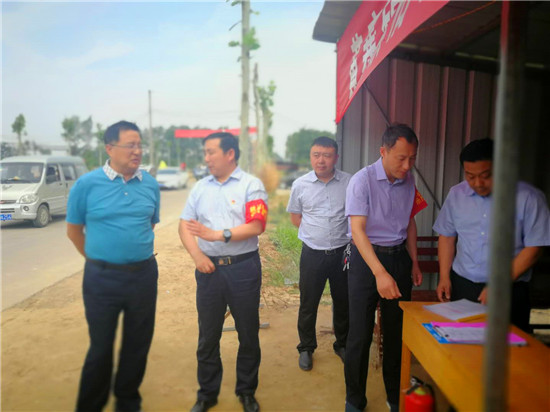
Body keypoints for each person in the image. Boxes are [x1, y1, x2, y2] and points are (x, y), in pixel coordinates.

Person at [66, 120, 161, 412]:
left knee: (137, 343)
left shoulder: (150, 184)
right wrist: (101, 260)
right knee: (101, 347)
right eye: (130, 145)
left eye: (140, 145)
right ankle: (90, 405)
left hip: (143, 276)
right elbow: (74, 231)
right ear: (110, 148)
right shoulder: (86, 185)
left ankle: (127, 400)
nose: (137, 151)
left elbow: (149, 224)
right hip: (102, 279)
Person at [179, 132, 268, 412]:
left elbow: (257, 225)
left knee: (248, 333)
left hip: (243, 269)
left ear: (230, 154)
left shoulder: (251, 185)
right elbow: (184, 225)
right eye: (205, 152)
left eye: (211, 152)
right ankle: (207, 394)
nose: (206, 158)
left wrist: (217, 235)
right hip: (208, 271)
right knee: (208, 335)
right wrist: (197, 255)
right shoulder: (200, 188)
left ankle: (246, 391)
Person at [344, 124, 426, 412]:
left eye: (412, 158)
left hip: (398, 258)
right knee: (360, 333)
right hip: (367, 261)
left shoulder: (409, 181)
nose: (407, 165)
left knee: (396, 332)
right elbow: (357, 231)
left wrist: (414, 261)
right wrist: (379, 273)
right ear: (383, 151)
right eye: (401, 158)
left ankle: (395, 395)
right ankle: (354, 399)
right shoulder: (362, 181)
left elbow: (410, 223)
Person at [433, 137, 550, 332]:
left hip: (509, 289)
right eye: (470, 176)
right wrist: (444, 277)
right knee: (461, 344)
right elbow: (446, 236)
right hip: (463, 286)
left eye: (486, 175)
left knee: (509, 346)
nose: (478, 183)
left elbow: (535, 248)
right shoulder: (456, 195)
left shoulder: (529, 198)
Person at [286, 136, 351, 371]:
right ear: (310, 156)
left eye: (326, 155)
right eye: (316, 155)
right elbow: (296, 217)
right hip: (312, 253)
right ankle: (306, 347)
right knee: (308, 302)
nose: (321, 160)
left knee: (343, 301)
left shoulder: (349, 182)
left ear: (336, 158)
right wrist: (316, 233)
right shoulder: (300, 184)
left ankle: (342, 344)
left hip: (343, 253)